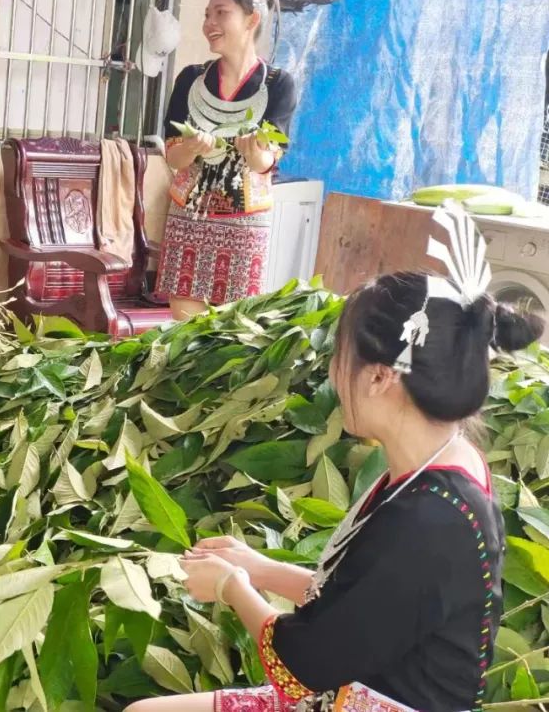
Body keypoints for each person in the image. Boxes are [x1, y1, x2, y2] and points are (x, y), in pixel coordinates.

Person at [128, 206, 543, 712]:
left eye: (339, 357)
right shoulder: (441, 463)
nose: (330, 373)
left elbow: (300, 668)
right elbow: (368, 608)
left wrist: (232, 586)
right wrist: (263, 569)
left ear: (379, 377)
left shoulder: (430, 519)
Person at [155, 0, 297, 320]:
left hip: (245, 222)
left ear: (251, 20)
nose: (209, 24)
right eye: (207, 15)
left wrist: (256, 156)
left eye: (222, 13)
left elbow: (270, 161)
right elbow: (173, 157)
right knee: (184, 330)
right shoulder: (190, 79)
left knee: (235, 328)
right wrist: (191, 148)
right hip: (189, 217)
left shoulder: (278, 84)